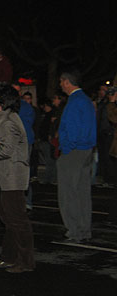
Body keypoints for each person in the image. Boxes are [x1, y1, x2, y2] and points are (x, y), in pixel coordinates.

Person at [0, 84, 35, 273]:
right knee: (8, 219)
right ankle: (10, 257)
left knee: (17, 220)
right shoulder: (2, 119)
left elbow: (5, 150)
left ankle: (25, 261)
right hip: (4, 175)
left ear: (2, 102)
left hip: (11, 177)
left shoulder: (8, 121)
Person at [56, 71, 96, 243]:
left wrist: (66, 148)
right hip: (87, 149)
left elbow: (71, 129)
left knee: (68, 193)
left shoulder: (74, 102)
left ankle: (74, 231)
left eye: (61, 82)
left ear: (66, 82)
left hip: (74, 151)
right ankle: (84, 229)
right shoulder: (86, 100)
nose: (60, 85)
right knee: (82, 192)